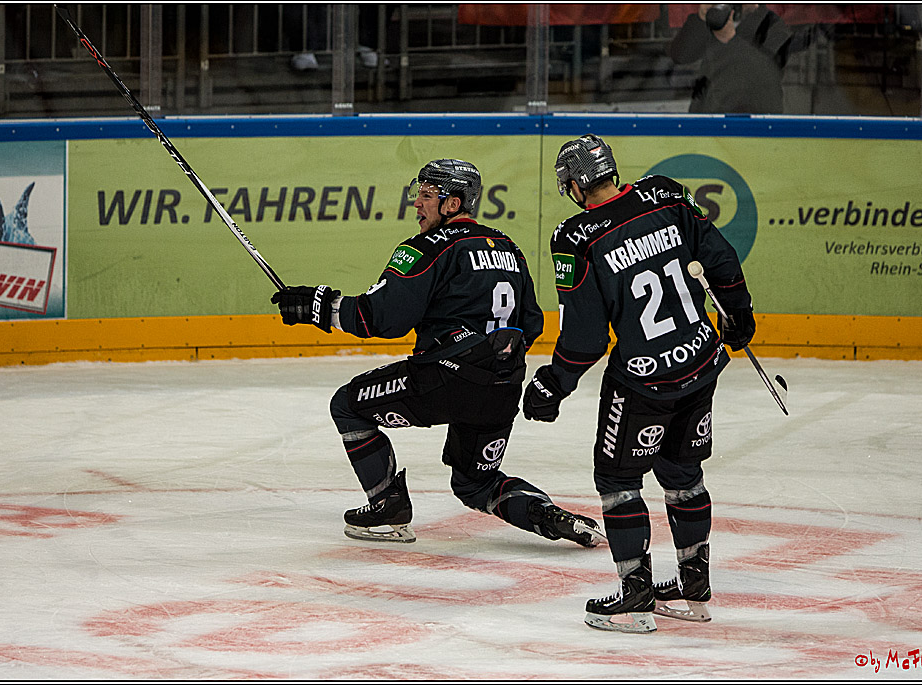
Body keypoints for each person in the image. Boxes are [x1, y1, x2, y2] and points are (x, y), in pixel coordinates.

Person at [271, 158, 604, 549]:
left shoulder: (428, 247)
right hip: (503, 387)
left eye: (428, 195)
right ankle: (547, 514)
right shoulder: (509, 248)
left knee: (348, 405)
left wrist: (317, 306)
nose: (417, 203)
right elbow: (532, 323)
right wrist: (490, 361)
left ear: (453, 203)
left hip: (444, 379)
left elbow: (378, 317)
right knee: (475, 482)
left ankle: (387, 507)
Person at [522, 134, 755, 633]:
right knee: (683, 473)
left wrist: (554, 383)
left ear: (574, 184)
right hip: (700, 361)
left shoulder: (576, 237)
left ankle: (635, 597)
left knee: (618, 480)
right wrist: (738, 313)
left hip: (643, 381)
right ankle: (694, 587)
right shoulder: (665, 193)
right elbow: (720, 258)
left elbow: (585, 336)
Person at [667, 3, 801, 114]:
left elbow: (766, 71)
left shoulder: (773, 26)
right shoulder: (715, 20)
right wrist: (701, 18)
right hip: (707, 116)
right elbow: (680, 57)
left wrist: (730, 40)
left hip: (751, 119)